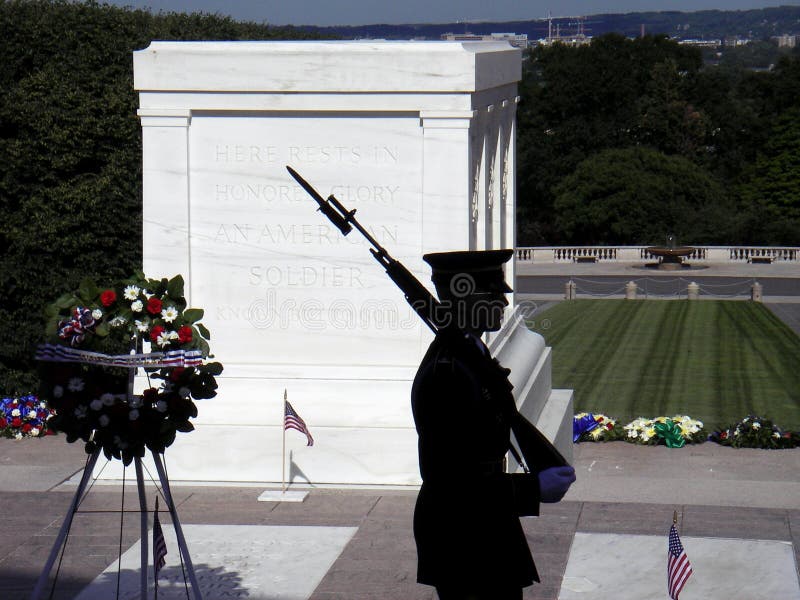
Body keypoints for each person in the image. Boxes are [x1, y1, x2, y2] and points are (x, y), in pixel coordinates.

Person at [411, 249, 576, 600]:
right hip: (461, 538)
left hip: (482, 526)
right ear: (464, 296)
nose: (503, 299)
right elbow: (448, 482)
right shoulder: (449, 373)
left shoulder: (471, 355)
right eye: (492, 292)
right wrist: (532, 490)